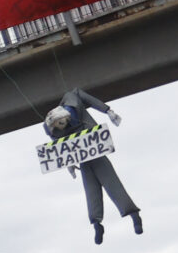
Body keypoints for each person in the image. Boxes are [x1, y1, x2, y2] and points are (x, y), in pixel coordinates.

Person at [41, 88, 140, 243]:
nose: (61, 127)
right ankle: (96, 224)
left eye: (61, 123)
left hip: (94, 148)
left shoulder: (72, 99)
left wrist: (107, 110)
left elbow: (85, 97)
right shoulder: (54, 130)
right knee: (91, 189)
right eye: (58, 127)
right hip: (83, 156)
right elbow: (60, 147)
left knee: (111, 182)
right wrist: (69, 162)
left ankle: (133, 214)